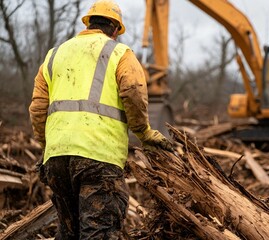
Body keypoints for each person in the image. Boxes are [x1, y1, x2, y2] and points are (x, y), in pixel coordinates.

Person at [29, 0, 173, 239]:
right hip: (99, 158)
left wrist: (46, 147)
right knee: (99, 232)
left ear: (88, 23)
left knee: (68, 232)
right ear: (116, 29)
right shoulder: (119, 53)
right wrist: (143, 132)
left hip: (56, 159)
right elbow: (134, 90)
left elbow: (37, 107)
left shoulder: (54, 55)